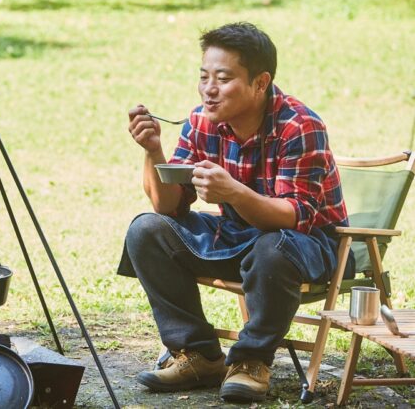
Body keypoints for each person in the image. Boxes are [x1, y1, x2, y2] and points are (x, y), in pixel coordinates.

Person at [118, 22, 352, 403]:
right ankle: (198, 355)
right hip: (238, 235)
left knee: (272, 247)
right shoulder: (200, 122)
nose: (210, 89)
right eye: (204, 76)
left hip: (307, 246)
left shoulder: (299, 126)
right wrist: (153, 151)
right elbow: (168, 205)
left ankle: (252, 361)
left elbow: (296, 216)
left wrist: (235, 192)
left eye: (223, 78)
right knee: (148, 229)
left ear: (260, 83)